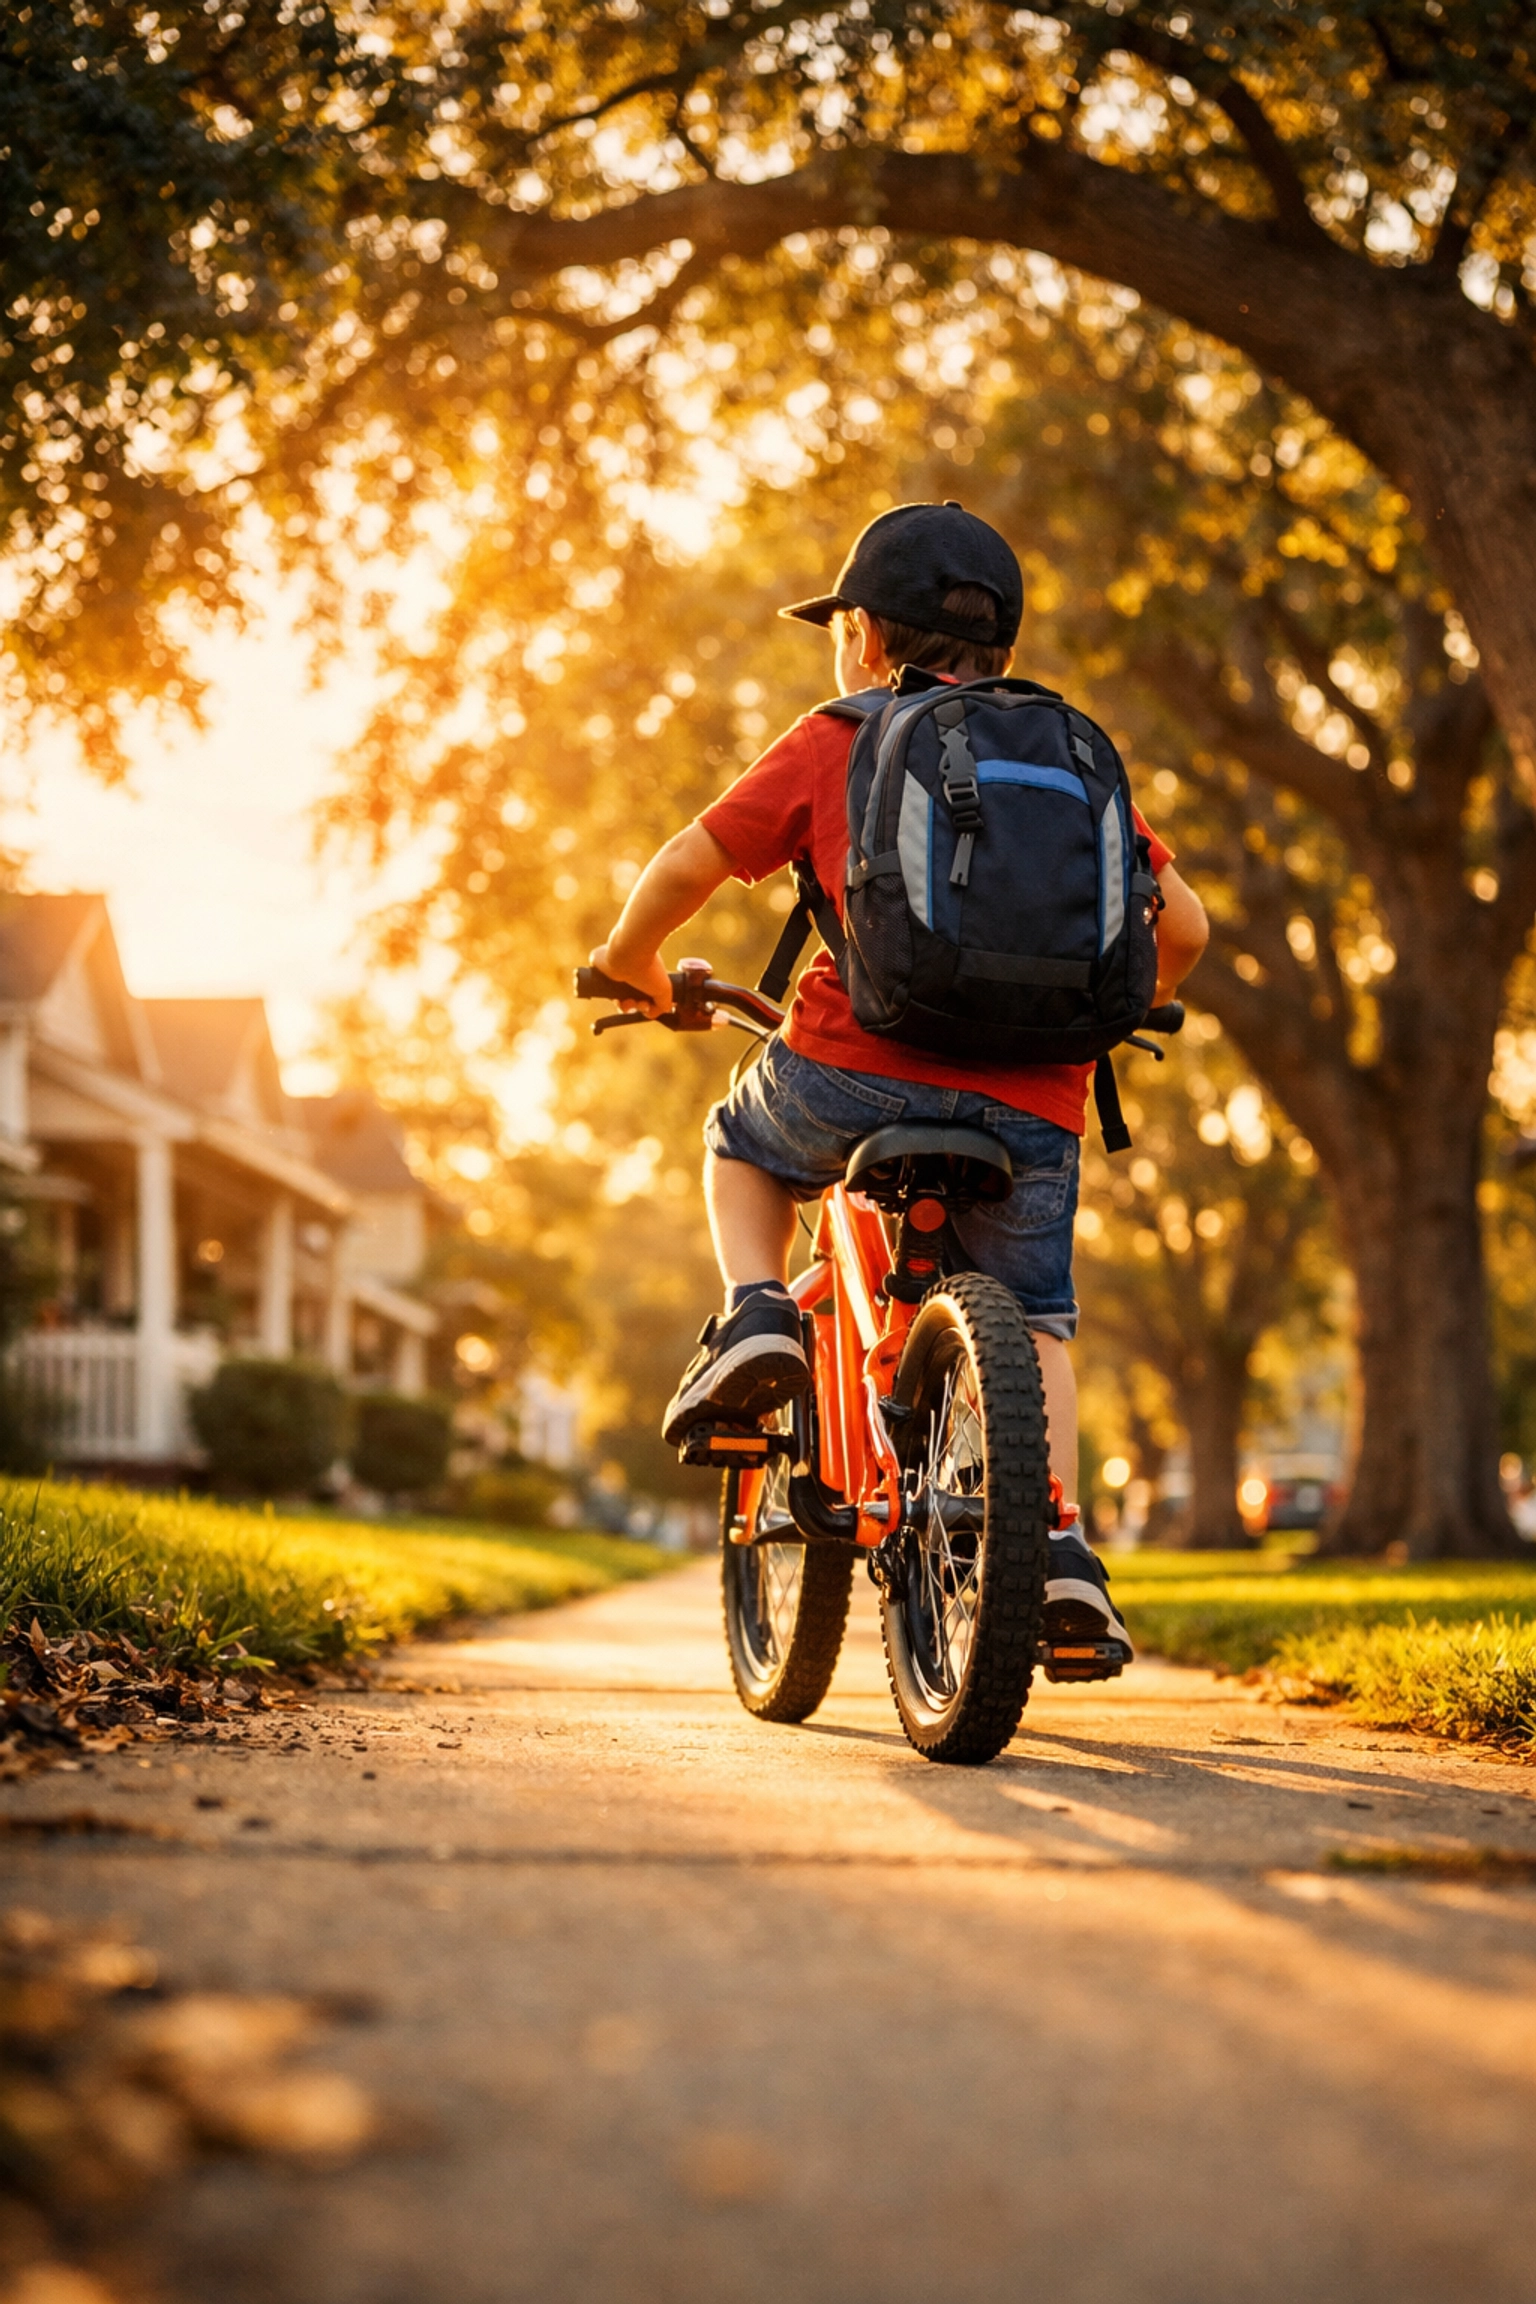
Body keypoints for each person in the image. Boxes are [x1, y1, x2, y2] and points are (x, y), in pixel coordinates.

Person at [592, 501, 1208, 1655]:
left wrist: (632, 966)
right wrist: (1114, 1003)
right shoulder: (1067, 751)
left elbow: (690, 860)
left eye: (841, 630)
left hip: (849, 1076)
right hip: (1033, 1104)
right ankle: (1062, 1548)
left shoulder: (836, 734)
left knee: (737, 1138)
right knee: (1036, 1322)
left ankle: (757, 1313)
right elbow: (1188, 929)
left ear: (866, 637)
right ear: (1005, 649)